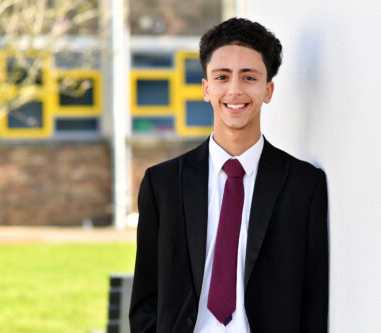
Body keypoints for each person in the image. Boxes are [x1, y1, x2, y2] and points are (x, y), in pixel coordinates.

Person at [129, 18, 329, 333]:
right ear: (207, 88)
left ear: (268, 90)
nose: (235, 90)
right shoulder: (162, 184)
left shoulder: (304, 185)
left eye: (249, 77)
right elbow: (145, 299)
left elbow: (314, 300)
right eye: (222, 77)